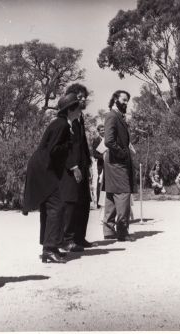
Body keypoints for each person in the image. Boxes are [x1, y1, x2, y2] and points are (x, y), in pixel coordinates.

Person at [23, 93, 81, 263]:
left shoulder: (62, 124)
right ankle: (49, 248)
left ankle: (51, 246)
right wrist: (69, 143)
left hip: (44, 167)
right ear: (70, 109)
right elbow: (54, 150)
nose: (80, 110)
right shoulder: (62, 125)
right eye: (77, 107)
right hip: (43, 168)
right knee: (57, 206)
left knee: (52, 206)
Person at [60, 83, 96, 251]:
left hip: (82, 166)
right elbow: (64, 147)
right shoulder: (64, 120)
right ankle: (67, 239)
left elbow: (82, 145)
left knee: (83, 202)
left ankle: (80, 237)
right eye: (79, 97)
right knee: (71, 203)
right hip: (70, 169)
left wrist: (88, 163)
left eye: (84, 97)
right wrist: (73, 166)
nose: (82, 100)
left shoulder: (80, 118)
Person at [103, 90, 136, 242]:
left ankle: (109, 231)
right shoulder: (112, 116)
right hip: (117, 162)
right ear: (115, 99)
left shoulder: (118, 116)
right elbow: (108, 141)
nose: (126, 103)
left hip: (114, 162)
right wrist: (123, 153)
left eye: (127, 100)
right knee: (123, 194)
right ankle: (122, 230)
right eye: (123, 99)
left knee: (111, 194)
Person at [92, 124, 106, 207]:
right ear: (98, 131)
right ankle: (98, 203)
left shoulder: (108, 139)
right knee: (100, 182)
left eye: (104, 129)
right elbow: (95, 154)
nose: (103, 131)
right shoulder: (96, 140)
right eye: (101, 130)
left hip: (109, 164)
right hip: (101, 164)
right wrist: (103, 157)